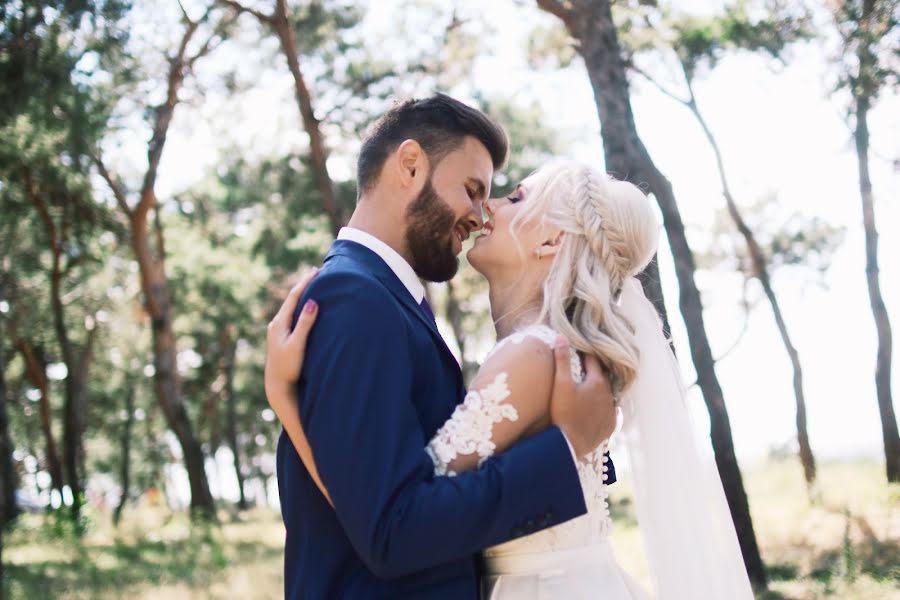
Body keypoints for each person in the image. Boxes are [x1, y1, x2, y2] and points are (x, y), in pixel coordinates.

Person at [268, 157, 756, 598]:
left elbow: (395, 522)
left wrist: (286, 401)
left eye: (516, 197)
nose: (490, 207)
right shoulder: (559, 357)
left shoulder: (534, 355)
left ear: (551, 240)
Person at [267, 95, 619, 599]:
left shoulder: (391, 300)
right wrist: (563, 452)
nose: (480, 217)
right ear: (410, 165)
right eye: (473, 191)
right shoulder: (354, 298)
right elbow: (391, 529)